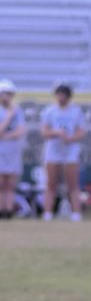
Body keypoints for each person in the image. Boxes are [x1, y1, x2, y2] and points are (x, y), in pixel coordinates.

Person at [40, 83, 86, 221]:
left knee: (72, 184)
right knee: (51, 184)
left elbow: (81, 131)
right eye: (58, 94)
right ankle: (47, 213)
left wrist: (70, 138)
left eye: (63, 94)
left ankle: (76, 213)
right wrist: (56, 133)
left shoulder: (76, 111)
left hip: (70, 151)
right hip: (53, 151)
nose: (61, 97)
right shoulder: (50, 111)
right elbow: (44, 131)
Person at [0, 79, 27, 220]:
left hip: (13, 151)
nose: (9, 97)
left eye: (11, 94)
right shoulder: (9, 113)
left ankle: (8, 210)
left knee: (10, 183)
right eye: (6, 93)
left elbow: (21, 131)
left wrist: (7, 135)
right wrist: (9, 118)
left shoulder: (17, 111)